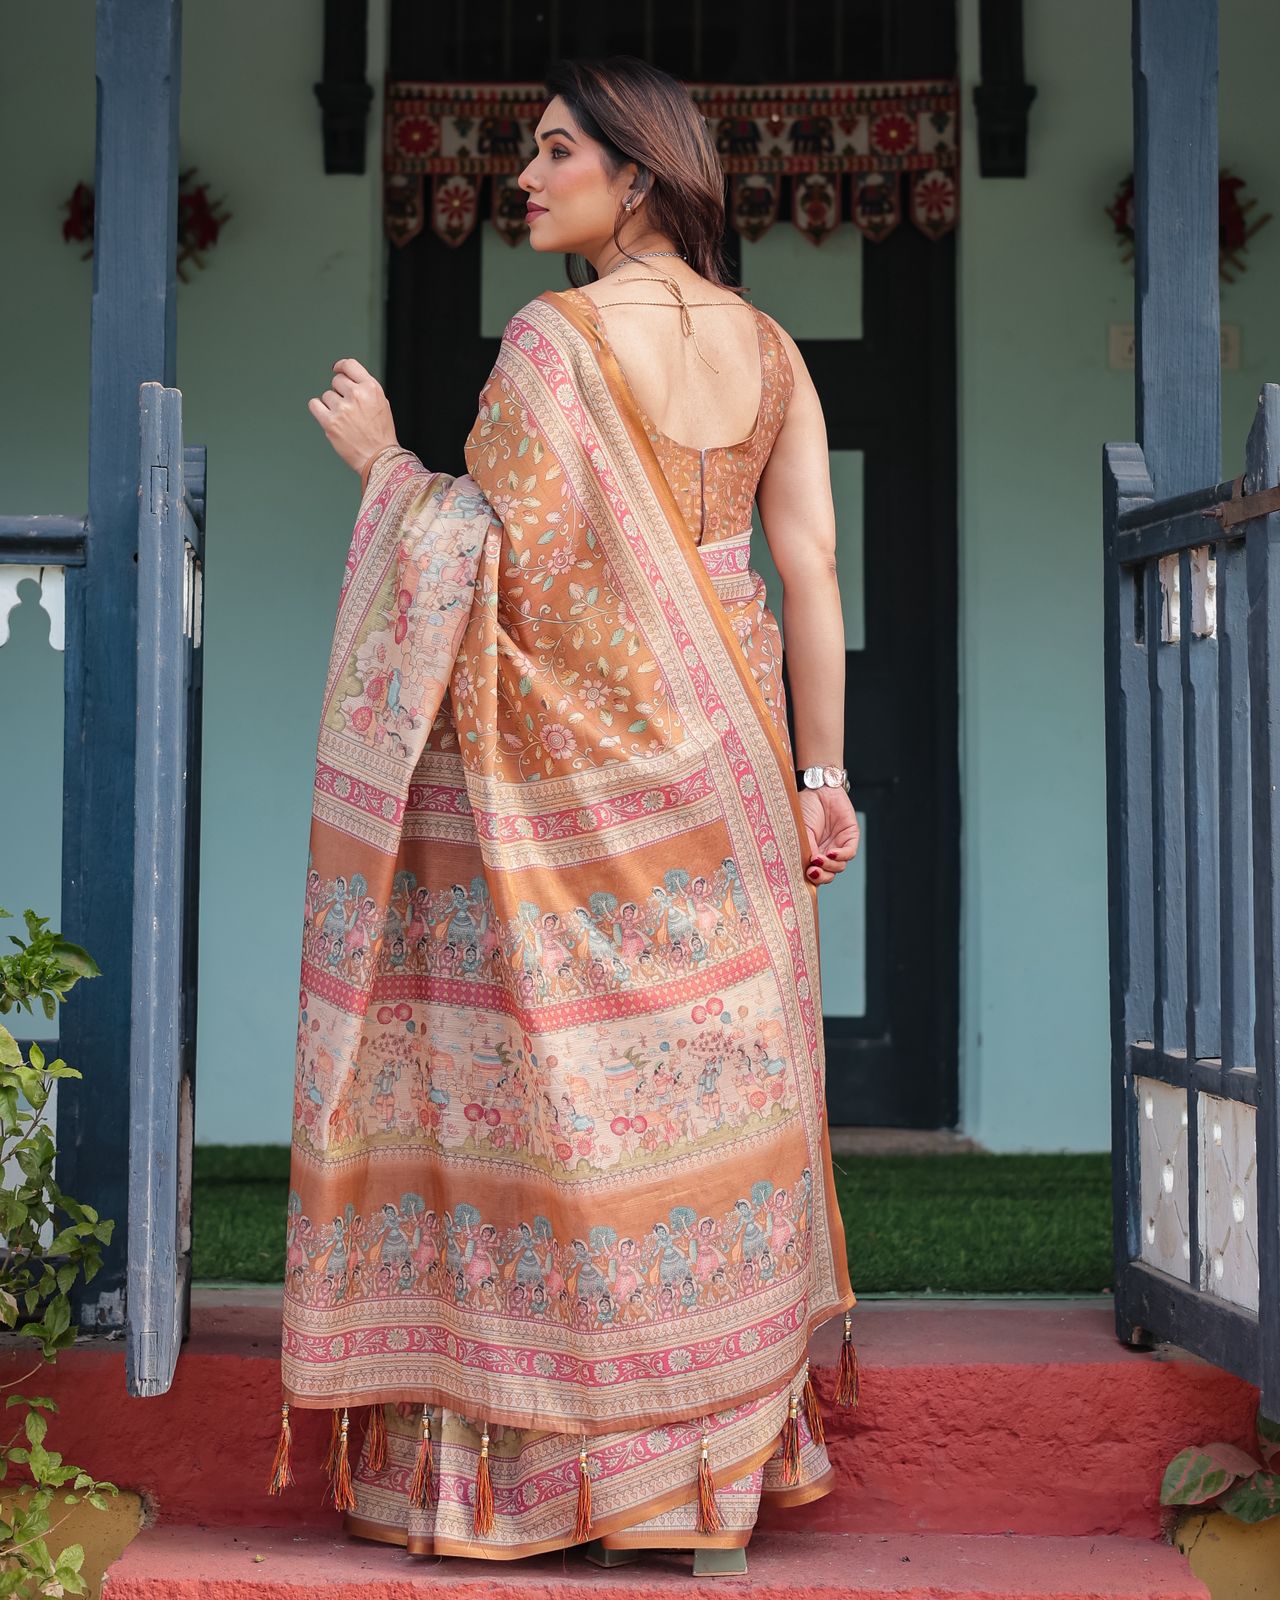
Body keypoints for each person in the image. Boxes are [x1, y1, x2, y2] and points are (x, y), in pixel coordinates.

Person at [276, 54, 861, 1572]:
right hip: (732, 775)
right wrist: (821, 776)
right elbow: (810, 575)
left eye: (551, 153)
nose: (522, 179)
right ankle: (709, 1488)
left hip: (581, 793)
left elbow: (490, 560)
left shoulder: (551, 343)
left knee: (572, 1115)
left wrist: (386, 471)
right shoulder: (776, 350)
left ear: (638, 175)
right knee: (711, 1111)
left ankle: (552, 1481)